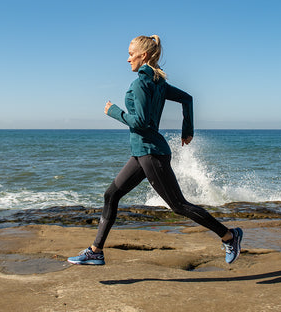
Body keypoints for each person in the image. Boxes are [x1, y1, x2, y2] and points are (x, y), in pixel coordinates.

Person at [68, 35, 242, 266]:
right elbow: (187, 99)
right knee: (111, 195)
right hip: (143, 153)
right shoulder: (158, 82)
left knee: (178, 205)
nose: (127, 58)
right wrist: (187, 129)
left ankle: (230, 236)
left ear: (144, 55)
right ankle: (95, 251)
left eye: (131, 54)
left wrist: (113, 111)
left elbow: (140, 122)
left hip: (151, 153)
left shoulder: (141, 83)